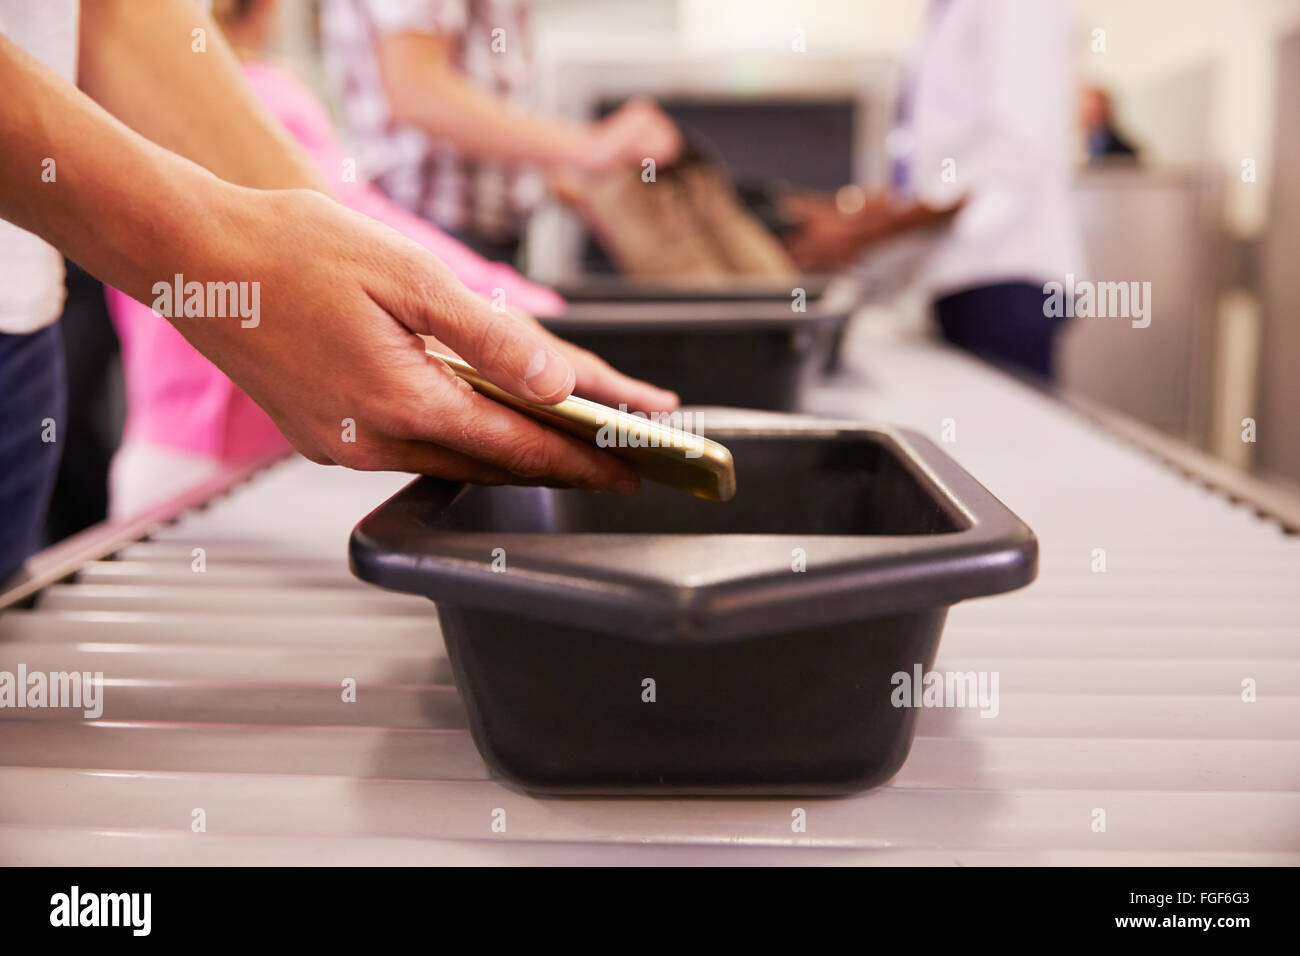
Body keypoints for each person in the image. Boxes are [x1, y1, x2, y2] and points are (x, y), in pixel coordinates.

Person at [0, 0, 674, 586]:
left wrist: (396, 294)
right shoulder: (285, 93)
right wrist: (226, 264)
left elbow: (107, 11)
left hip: (23, 333)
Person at [107, 0, 625, 518]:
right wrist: (522, 302)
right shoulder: (268, 98)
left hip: (157, 450)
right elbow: (347, 223)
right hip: (251, 477)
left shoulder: (119, 108)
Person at [785, 0, 1086, 381]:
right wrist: (849, 213)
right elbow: (941, 175)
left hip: (1004, 280)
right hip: (967, 281)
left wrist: (858, 235)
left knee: (1008, 435)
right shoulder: (945, 13)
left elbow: (1011, 156)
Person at [319, 0, 682, 261]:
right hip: (429, 237)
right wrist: (589, 145)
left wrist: (579, 185)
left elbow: (486, 85)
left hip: (480, 237)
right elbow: (415, 90)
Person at [1079, 86, 1140, 164]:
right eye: (1088, 110)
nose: (1091, 116)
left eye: (1096, 110)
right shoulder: (1076, 143)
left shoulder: (1124, 151)